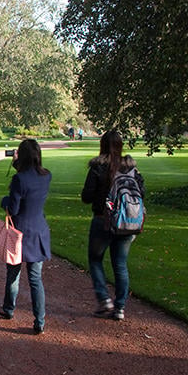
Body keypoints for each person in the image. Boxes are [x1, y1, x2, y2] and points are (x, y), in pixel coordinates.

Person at [80, 130, 145, 321]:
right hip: (126, 221)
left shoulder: (98, 168)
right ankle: (120, 307)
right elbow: (142, 193)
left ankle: (104, 298)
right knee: (120, 264)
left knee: (95, 259)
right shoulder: (131, 168)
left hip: (103, 219)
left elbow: (87, 196)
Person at [0, 138, 51, 334]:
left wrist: (4, 200)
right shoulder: (46, 176)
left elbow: (14, 207)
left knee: (13, 273)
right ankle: (40, 320)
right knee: (36, 279)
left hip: (19, 232)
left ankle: (9, 308)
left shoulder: (19, 179)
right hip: (39, 230)